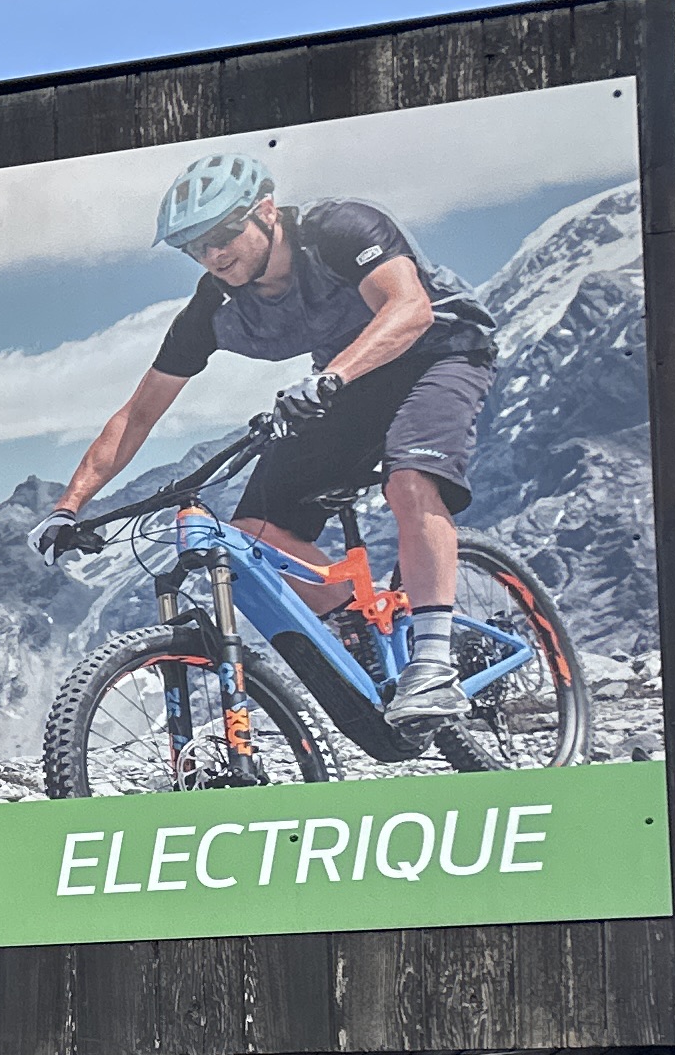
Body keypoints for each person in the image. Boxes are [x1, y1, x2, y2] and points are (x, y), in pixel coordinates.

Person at [35, 155, 497, 727]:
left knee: (409, 482)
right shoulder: (213, 308)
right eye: (194, 247)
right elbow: (138, 414)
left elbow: (409, 308)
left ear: (267, 211)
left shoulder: (340, 230)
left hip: (441, 354)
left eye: (223, 234)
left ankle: (433, 666)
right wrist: (68, 507)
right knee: (254, 534)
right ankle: (366, 632)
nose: (212, 254)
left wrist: (332, 377)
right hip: (348, 381)